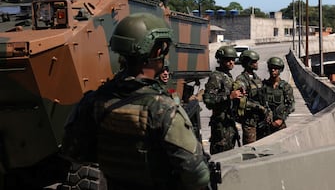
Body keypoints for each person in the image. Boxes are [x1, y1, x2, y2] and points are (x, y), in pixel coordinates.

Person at [62, 12, 210, 190]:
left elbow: (73, 151)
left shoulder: (94, 101)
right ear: (156, 51)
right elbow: (197, 177)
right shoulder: (163, 109)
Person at [203, 45, 242, 155]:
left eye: (233, 60)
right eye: (228, 60)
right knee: (220, 157)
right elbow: (208, 100)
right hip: (220, 126)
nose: (231, 62)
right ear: (220, 60)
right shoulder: (216, 77)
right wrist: (229, 97)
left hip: (229, 124)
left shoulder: (227, 76)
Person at [234, 49, 271, 144]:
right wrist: (258, 107)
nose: (256, 64)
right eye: (254, 62)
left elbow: (263, 97)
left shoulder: (257, 79)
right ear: (247, 63)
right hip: (250, 121)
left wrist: (267, 110)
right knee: (250, 149)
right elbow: (242, 101)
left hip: (261, 120)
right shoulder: (241, 80)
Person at [262, 56, 295, 136]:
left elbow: (291, 105)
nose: (273, 70)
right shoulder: (263, 85)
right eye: (271, 68)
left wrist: (281, 118)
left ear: (280, 70)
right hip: (264, 125)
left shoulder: (285, 87)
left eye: (276, 68)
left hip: (279, 124)